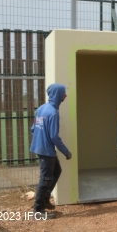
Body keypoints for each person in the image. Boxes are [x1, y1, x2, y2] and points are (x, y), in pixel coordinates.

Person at [30, 83, 71, 219]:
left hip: (39, 147)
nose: (65, 95)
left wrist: (40, 137)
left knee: (56, 171)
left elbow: (33, 129)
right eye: (63, 92)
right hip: (46, 150)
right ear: (58, 94)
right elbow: (54, 136)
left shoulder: (41, 108)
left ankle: (45, 199)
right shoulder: (53, 113)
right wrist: (66, 151)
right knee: (46, 178)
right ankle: (37, 210)